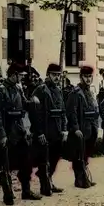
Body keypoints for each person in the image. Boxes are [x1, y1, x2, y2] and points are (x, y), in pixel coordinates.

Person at [0, 63, 41, 205]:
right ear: (13, 75)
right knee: (5, 165)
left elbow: (24, 104)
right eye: (20, 75)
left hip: (19, 131)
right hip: (6, 131)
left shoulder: (18, 89)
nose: (22, 78)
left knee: (26, 161)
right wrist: (2, 134)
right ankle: (8, 194)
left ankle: (26, 191)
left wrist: (32, 102)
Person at [30, 63, 67, 195]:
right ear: (48, 75)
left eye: (58, 75)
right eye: (54, 75)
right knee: (44, 160)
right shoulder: (40, 90)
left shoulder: (58, 90)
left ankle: (49, 181)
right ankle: (45, 187)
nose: (57, 78)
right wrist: (39, 132)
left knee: (54, 158)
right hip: (45, 131)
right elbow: (34, 114)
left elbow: (63, 112)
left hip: (57, 131)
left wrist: (64, 129)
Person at [65, 65, 98, 189]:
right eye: (86, 76)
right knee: (78, 155)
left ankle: (84, 178)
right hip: (80, 129)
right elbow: (71, 111)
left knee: (85, 154)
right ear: (81, 77)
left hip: (89, 128)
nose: (88, 79)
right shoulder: (76, 92)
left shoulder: (90, 91)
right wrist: (76, 128)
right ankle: (79, 180)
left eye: (90, 76)